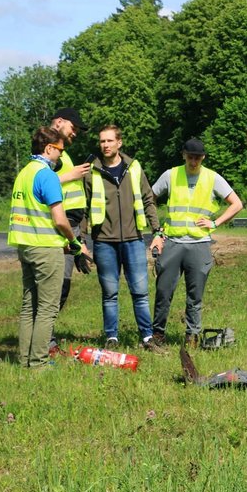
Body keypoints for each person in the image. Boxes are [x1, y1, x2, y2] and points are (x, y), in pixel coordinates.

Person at [149, 138, 243, 348]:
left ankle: (192, 336)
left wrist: (215, 222)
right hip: (172, 242)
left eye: (197, 158)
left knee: (195, 295)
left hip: (199, 244)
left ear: (203, 158)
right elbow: (149, 198)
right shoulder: (171, 175)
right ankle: (158, 334)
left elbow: (237, 204)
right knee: (164, 291)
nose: (193, 161)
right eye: (190, 157)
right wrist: (156, 230)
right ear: (184, 155)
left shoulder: (212, 178)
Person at [9, 127, 90, 367]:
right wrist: (74, 243)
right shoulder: (47, 176)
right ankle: (39, 363)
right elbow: (60, 219)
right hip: (46, 249)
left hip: (25, 247)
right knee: (46, 309)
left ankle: (25, 360)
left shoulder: (24, 173)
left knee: (28, 306)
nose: (61, 157)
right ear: (48, 148)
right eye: (60, 151)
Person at [83, 125, 163, 352]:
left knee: (140, 292)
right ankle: (112, 338)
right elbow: (84, 208)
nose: (105, 145)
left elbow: (149, 200)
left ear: (119, 143)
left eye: (109, 141)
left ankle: (147, 337)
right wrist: (81, 240)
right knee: (110, 293)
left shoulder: (134, 168)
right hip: (104, 241)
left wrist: (157, 232)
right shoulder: (92, 171)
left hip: (134, 239)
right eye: (102, 142)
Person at [49, 108, 91, 348]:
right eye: (73, 127)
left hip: (71, 227)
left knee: (62, 287)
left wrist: (79, 236)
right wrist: (71, 175)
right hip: (59, 227)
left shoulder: (62, 152)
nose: (75, 133)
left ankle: (46, 338)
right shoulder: (49, 150)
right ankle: (46, 341)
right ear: (59, 122)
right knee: (56, 286)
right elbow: (39, 182)